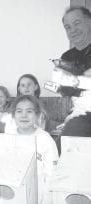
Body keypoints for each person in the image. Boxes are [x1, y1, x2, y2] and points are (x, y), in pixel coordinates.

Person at [10, 95, 59, 204]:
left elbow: (52, 176)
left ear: (38, 115)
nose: (24, 115)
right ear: (13, 115)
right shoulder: (8, 138)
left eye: (29, 111)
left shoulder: (46, 141)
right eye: (19, 111)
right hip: (14, 203)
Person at [58, 6, 91, 136]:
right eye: (67, 27)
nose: (73, 30)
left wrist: (77, 81)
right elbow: (66, 90)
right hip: (83, 114)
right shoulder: (66, 58)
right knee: (67, 142)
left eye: (76, 23)